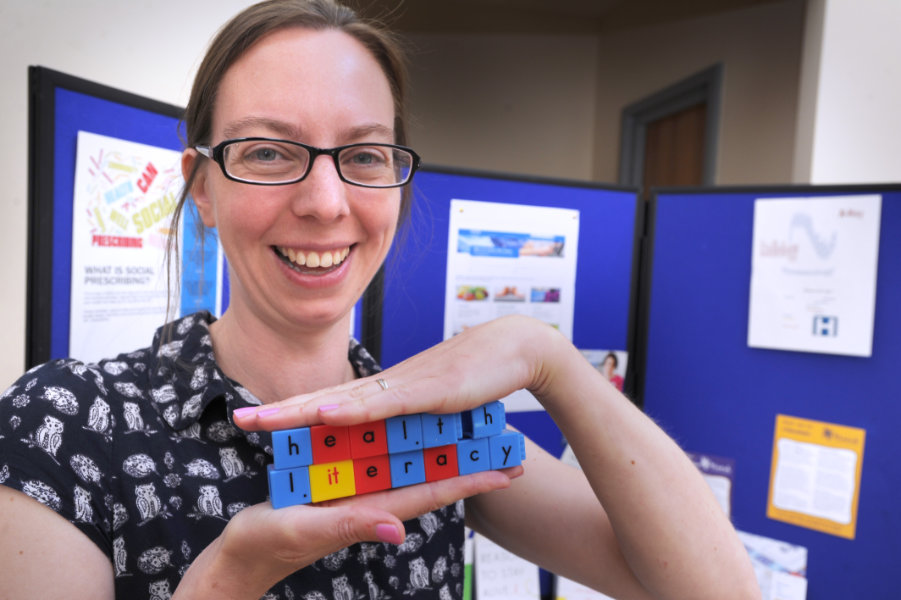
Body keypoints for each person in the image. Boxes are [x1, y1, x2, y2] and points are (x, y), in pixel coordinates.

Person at [0, 1, 760, 599]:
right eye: (268, 152)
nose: (327, 202)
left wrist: (547, 359)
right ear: (202, 186)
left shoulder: (432, 432)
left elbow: (717, 591)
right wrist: (227, 579)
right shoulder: (65, 430)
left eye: (363, 155)